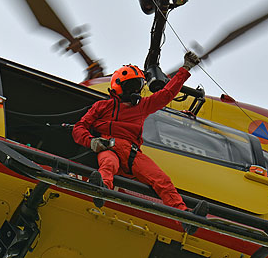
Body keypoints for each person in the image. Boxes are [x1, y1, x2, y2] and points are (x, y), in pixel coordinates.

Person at [73, 51, 205, 219]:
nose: (135, 91)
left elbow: (167, 94)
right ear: (119, 88)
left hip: (133, 153)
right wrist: (92, 142)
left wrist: (185, 69)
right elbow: (79, 127)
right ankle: (101, 190)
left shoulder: (143, 106)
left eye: (137, 86)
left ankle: (184, 215)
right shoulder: (102, 106)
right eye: (131, 87)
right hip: (109, 146)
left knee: (162, 180)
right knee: (108, 165)